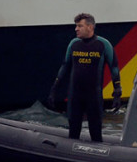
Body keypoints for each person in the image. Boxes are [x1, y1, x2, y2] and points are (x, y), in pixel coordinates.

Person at [47, 13, 122, 142]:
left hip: (94, 96)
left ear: (90, 27)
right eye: (76, 26)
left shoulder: (103, 44)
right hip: (75, 95)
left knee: (96, 133)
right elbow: (65, 66)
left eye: (79, 26)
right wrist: (54, 89)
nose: (76, 29)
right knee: (73, 131)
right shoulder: (74, 44)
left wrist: (117, 92)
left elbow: (114, 68)